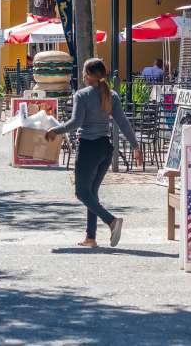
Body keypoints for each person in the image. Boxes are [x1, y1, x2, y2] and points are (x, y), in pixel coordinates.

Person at [46, 58, 142, 248]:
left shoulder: (82, 95)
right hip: (105, 149)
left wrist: (54, 130)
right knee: (92, 193)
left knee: (82, 192)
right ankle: (91, 238)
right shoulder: (111, 95)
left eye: (84, 71)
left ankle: (112, 221)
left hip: (88, 147)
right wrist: (135, 147)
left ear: (89, 75)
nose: (82, 75)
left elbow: (76, 123)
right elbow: (123, 122)